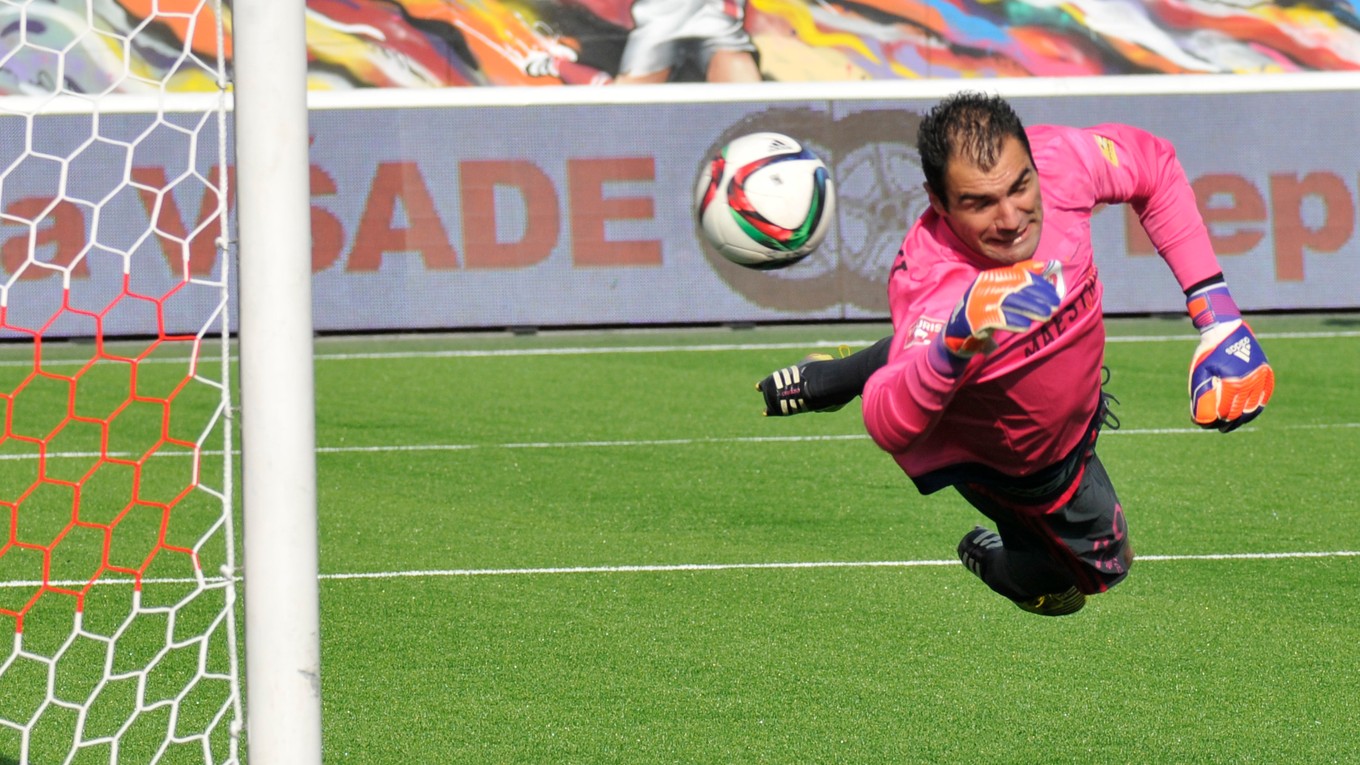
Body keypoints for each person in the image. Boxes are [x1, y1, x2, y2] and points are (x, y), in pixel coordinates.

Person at [756, 92, 1275, 616]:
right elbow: (889, 423)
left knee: (962, 349)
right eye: (979, 203)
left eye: (1019, 186)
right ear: (937, 201)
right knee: (1084, 579)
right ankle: (998, 561)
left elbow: (1155, 166)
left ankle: (830, 378)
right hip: (1012, 463)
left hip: (1068, 404)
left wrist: (1219, 318)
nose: (1010, 219)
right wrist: (956, 341)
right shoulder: (932, 284)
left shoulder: (1062, 161)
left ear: (1032, 160)